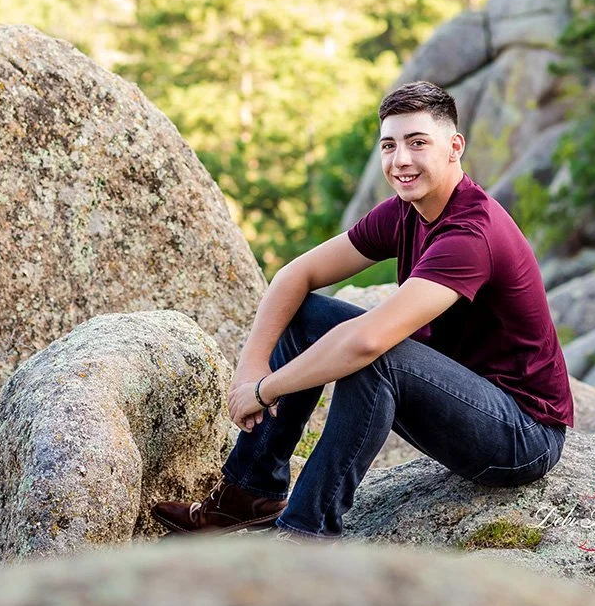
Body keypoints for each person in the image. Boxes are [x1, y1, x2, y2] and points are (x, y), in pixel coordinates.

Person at [150, 80, 573, 542]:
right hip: (461, 396)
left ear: (455, 147)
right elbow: (296, 275)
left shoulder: (471, 235)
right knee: (301, 314)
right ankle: (247, 492)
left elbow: (367, 341)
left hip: (522, 435)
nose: (401, 160)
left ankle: (307, 533)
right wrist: (250, 365)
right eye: (389, 145)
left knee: (377, 356)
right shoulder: (406, 212)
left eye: (417, 143)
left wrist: (267, 389)